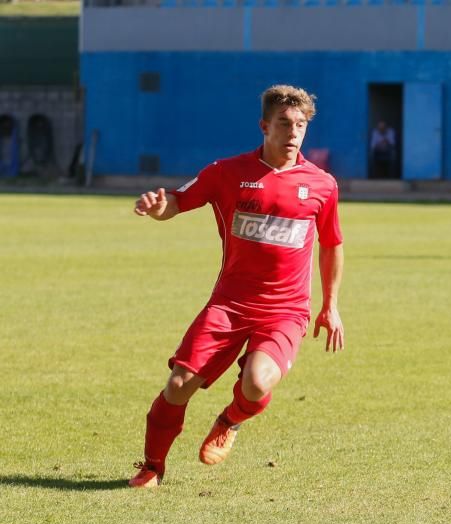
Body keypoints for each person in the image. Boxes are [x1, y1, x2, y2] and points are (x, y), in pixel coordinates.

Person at [127, 84, 345, 488]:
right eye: (284, 123)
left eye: (301, 125)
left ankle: (230, 420)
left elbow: (332, 244)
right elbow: (177, 201)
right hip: (229, 304)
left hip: (285, 310)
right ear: (264, 126)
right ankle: (152, 465)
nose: (293, 132)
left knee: (258, 382)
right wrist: (159, 209)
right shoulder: (226, 173)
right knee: (177, 386)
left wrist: (330, 305)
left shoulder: (322, 185)